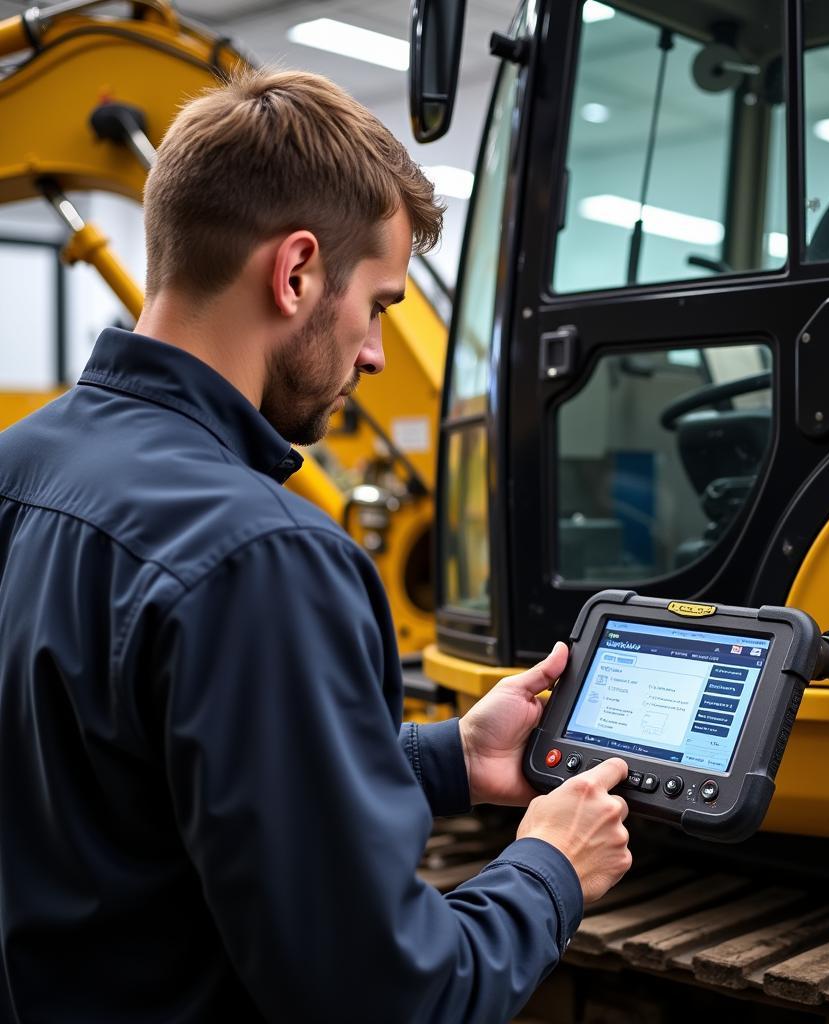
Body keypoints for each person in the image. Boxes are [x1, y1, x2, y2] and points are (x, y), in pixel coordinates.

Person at [0, 69, 632, 1022]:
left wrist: (448, 756)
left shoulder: (19, 465)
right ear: (295, 273)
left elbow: (134, 787)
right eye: (377, 305)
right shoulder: (263, 555)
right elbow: (392, 996)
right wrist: (552, 869)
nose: (376, 353)